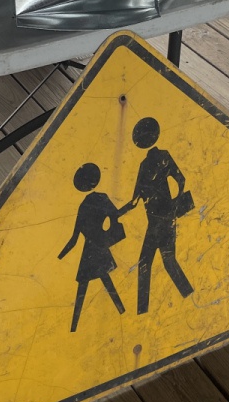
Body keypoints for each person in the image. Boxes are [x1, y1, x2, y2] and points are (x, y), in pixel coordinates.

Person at [119, 117, 194, 315]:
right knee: (163, 262)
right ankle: (187, 297)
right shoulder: (155, 160)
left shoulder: (152, 161)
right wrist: (174, 203)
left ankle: (144, 312)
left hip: (159, 221)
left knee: (153, 263)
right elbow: (180, 180)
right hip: (160, 221)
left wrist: (117, 213)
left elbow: (134, 201)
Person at [58, 163, 126, 333]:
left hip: (90, 251)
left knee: (86, 286)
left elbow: (74, 239)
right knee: (103, 282)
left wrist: (60, 256)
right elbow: (116, 215)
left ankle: (74, 326)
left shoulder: (83, 206)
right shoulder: (101, 198)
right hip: (98, 248)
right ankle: (122, 311)